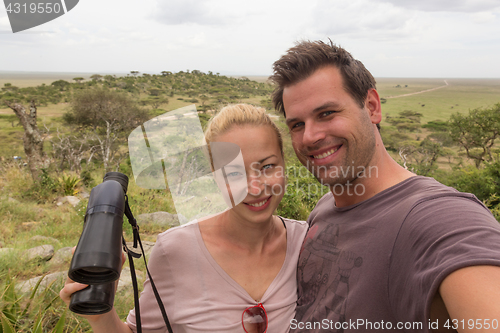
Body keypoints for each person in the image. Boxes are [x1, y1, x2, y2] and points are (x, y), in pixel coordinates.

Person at [270, 40, 500, 332]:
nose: (309, 137)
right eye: (297, 125)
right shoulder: (326, 207)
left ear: (372, 107)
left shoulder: (440, 217)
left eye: (327, 113)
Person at [60, 104, 308, 333]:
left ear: (284, 165)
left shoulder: (307, 242)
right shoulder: (175, 251)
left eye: (267, 167)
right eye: (233, 173)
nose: (254, 188)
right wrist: (100, 314)